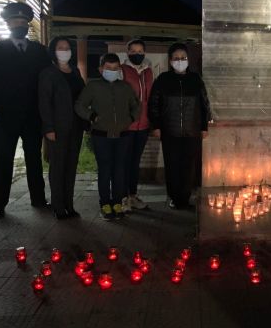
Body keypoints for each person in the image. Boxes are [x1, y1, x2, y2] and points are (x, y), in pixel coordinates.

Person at [0, 2, 51, 219]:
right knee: (3, 160)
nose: (19, 25)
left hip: (32, 116)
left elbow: (47, 83)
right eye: (15, 21)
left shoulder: (40, 51)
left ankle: (38, 199)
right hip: (4, 117)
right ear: (7, 24)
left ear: (28, 25)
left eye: (23, 22)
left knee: (34, 159)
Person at [75, 53, 140, 221]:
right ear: (100, 69)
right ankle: (105, 203)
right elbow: (80, 105)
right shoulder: (93, 86)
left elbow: (136, 106)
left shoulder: (125, 87)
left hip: (122, 135)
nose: (112, 71)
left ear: (120, 69)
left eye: (115, 68)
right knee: (104, 170)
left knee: (119, 170)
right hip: (101, 136)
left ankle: (117, 203)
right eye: (108, 68)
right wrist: (92, 116)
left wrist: (131, 119)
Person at [148, 43, 211, 211]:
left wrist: (204, 126)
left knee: (188, 166)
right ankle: (174, 198)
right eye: (176, 58)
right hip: (170, 131)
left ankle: (185, 197)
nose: (180, 61)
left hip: (192, 131)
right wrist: (156, 125)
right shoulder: (163, 80)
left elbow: (204, 104)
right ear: (170, 61)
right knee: (172, 165)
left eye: (183, 58)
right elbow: (154, 103)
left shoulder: (195, 79)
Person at [38, 37, 86, 219]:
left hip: (76, 127)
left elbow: (83, 97)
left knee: (71, 166)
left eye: (67, 48)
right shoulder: (48, 73)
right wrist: (48, 128)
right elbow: (44, 103)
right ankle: (58, 207)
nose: (64, 51)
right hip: (57, 128)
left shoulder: (75, 71)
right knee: (57, 167)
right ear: (53, 50)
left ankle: (69, 205)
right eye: (60, 48)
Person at [121, 39, 154, 211]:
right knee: (124, 162)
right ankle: (122, 197)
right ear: (127, 53)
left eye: (140, 51)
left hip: (143, 125)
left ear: (144, 52)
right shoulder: (122, 70)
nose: (137, 54)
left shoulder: (148, 71)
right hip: (127, 125)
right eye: (133, 51)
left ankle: (132, 195)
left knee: (135, 162)